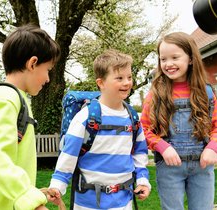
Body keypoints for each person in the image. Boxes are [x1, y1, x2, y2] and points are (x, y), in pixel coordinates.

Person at [0, 24, 61, 210]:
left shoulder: (13, 97)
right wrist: (29, 200)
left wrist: (33, 192)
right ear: (32, 63)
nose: (48, 79)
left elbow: (11, 159)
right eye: (48, 69)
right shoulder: (6, 98)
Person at [49, 49, 151, 209]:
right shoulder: (85, 117)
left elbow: (139, 152)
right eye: (119, 78)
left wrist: (143, 180)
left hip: (124, 202)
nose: (127, 82)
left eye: (129, 77)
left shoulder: (131, 117)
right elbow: (68, 157)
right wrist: (57, 186)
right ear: (101, 83)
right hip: (88, 203)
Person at [141, 32, 217, 210]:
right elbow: (143, 129)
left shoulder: (206, 93)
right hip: (168, 168)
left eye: (175, 57)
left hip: (202, 166)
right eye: (163, 59)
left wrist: (213, 147)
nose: (168, 64)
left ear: (190, 59)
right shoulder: (156, 95)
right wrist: (162, 146)